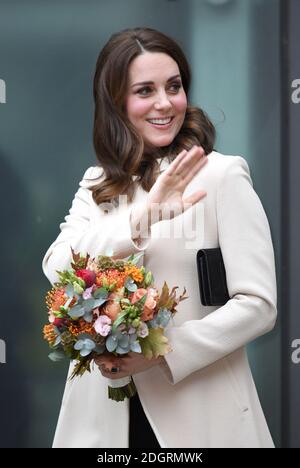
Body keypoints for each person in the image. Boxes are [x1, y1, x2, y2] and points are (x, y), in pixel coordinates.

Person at [42, 27, 277, 448]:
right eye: (145, 90)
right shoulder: (98, 183)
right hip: (103, 419)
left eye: (174, 86)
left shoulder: (222, 175)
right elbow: (59, 266)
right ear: (116, 103)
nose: (165, 103)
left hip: (201, 413)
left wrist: (161, 352)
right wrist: (141, 220)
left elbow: (258, 305)